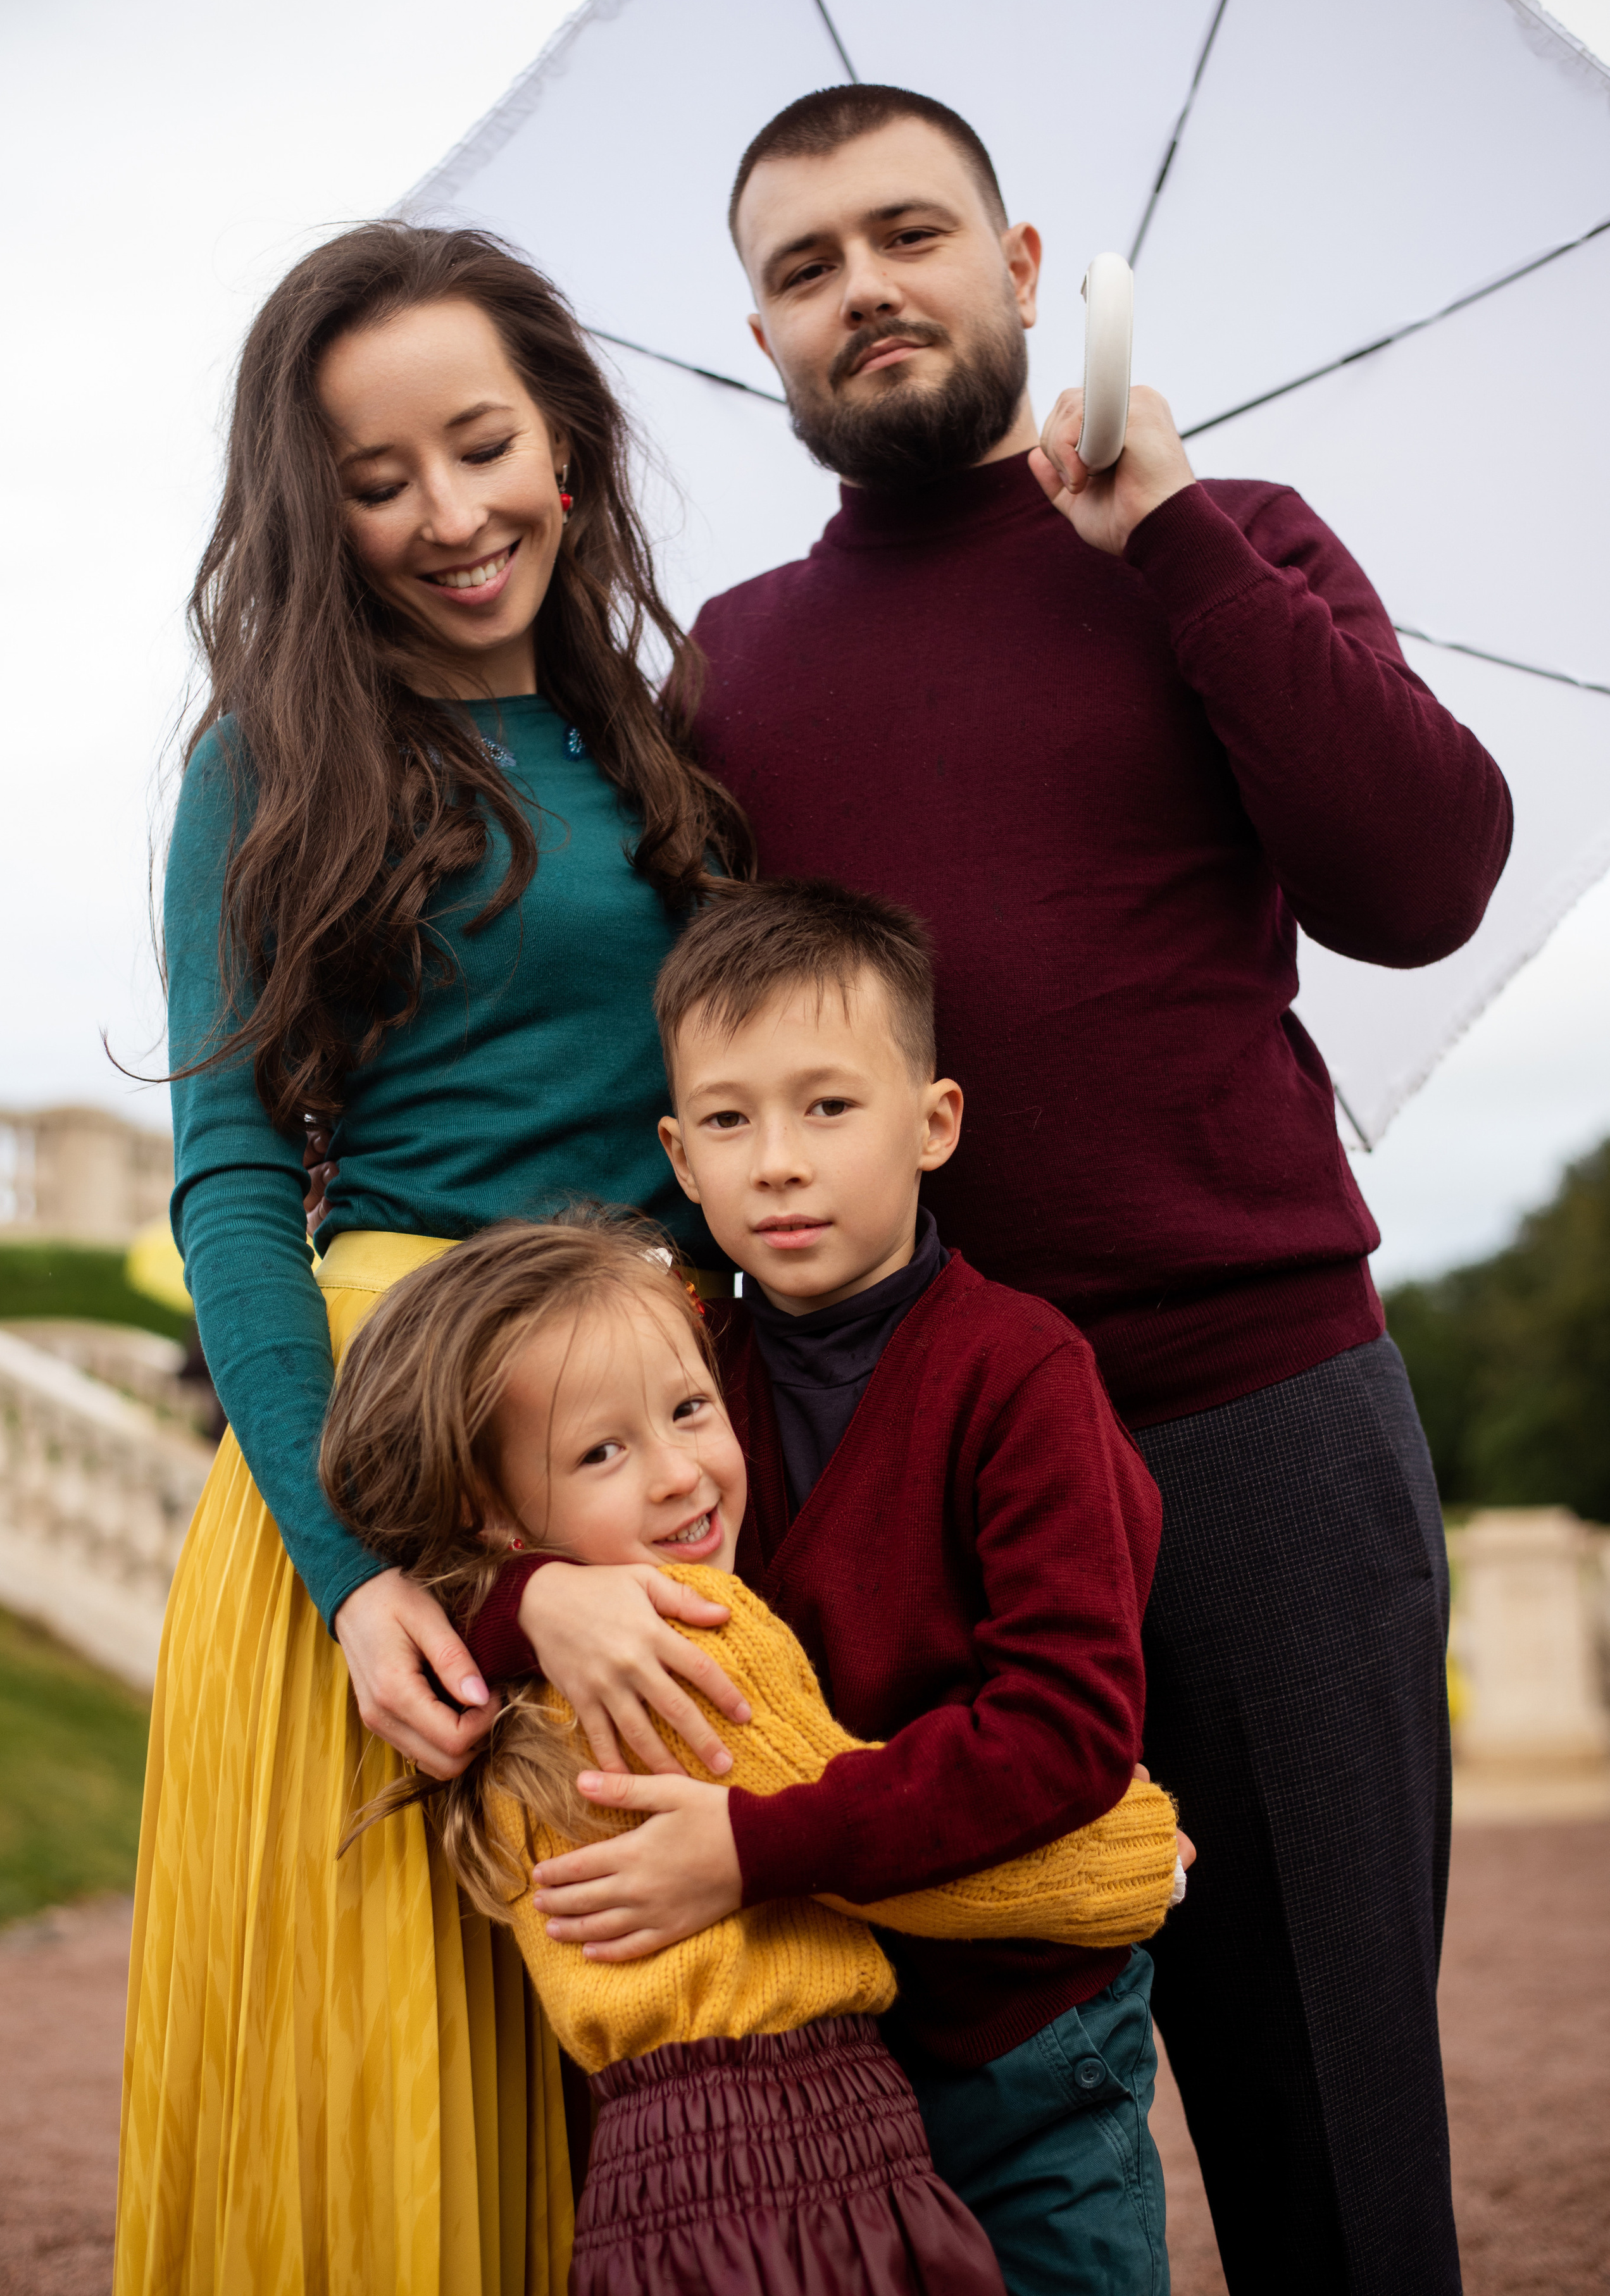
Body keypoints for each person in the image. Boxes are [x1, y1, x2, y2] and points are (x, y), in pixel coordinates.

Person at [676, 87, 1509, 2296]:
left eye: (907, 232)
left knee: (1335, 2127)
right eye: (801, 264)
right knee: (942, 2155)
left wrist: (1175, 540)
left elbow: (1423, 881)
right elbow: (685, 1075)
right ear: (760, 333)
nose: (864, 285)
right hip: (898, 1454)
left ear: (1026, 268)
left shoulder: (1234, 537)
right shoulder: (729, 668)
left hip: (1258, 1428)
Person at [118, 221, 768, 2294]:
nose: (443, 513)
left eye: (478, 443)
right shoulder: (267, 761)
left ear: (565, 445)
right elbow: (232, 1177)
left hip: (653, 1438)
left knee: (673, 2105)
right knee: (388, 2145)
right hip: (387, 1465)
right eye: (373, 479)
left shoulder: (668, 753)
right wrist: (362, 1563)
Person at [478, 879, 1188, 2293]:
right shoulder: (682, 1371)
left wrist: (750, 1846)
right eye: (730, 1122)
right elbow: (484, 1545)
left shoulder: (1016, 1372)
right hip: (813, 2062)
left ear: (932, 1123)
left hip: (1018, 2023)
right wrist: (531, 1603)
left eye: (826, 1109)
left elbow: (1063, 1731)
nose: (777, 1164)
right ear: (676, 1155)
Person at [318, 1206, 1186, 2295]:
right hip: (807, 2157)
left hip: (651, 2185)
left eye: (691, 1409)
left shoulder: (509, 1689)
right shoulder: (685, 1649)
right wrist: (1134, 1860)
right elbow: (881, 1855)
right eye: (602, 1451)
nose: (680, 1473)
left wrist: (524, 1597)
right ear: (491, 1509)